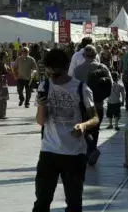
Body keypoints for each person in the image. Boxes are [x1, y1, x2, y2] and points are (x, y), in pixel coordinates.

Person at [33, 48, 98, 211]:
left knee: (74, 203)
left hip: (74, 154)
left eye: (56, 75)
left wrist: (83, 125)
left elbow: (95, 118)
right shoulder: (45, 86)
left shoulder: (81, 88)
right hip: (49, 150)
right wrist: (42, 106)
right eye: (49, 74)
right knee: (42, 200)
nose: (52, 79)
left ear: (67, 67)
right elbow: (41, 122)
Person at [71, 45, 112, 166]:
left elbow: (72, 87)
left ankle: (91, 149)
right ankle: (92, 150)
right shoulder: (103, 67)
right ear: (96, 55)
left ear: (84, 56)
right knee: (95, 129)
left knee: (84, 128)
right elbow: (110, 83)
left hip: (83, 104)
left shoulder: (77, 70)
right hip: (98, 103)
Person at [0, 51, 12, 120]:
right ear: (3, 57)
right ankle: (0, 115)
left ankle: (3, 114)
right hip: (0, 83)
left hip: (4, 83)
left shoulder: (5, 64)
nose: (7, 57)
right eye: (6, 56)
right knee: (0, 100)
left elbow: (10, 72)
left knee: (4, 99)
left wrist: (9, 64)